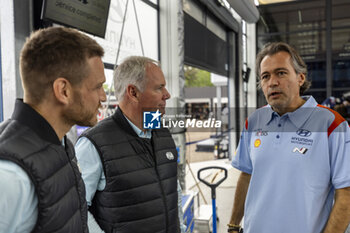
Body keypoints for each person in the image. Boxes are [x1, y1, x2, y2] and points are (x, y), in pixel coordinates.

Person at [228, 42, 350, 233]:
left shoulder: (332, 124)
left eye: (281, 73)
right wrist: (233, 225)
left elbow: (346, 194)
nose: (272, 82)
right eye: (265, 76)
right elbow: (246, 175)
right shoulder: (254, 121)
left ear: (300, 78)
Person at [0, 27, 106, 233]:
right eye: (97, 87)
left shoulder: (60, 143)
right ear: (63, 91)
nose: (103, 97)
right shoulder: (10, 177)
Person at [75, 56, 181, 233]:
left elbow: (173, 188)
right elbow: (76, 208)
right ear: (133, 93)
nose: (167, 95)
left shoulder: (162, 132)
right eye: (159, 88)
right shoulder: (94, 144)